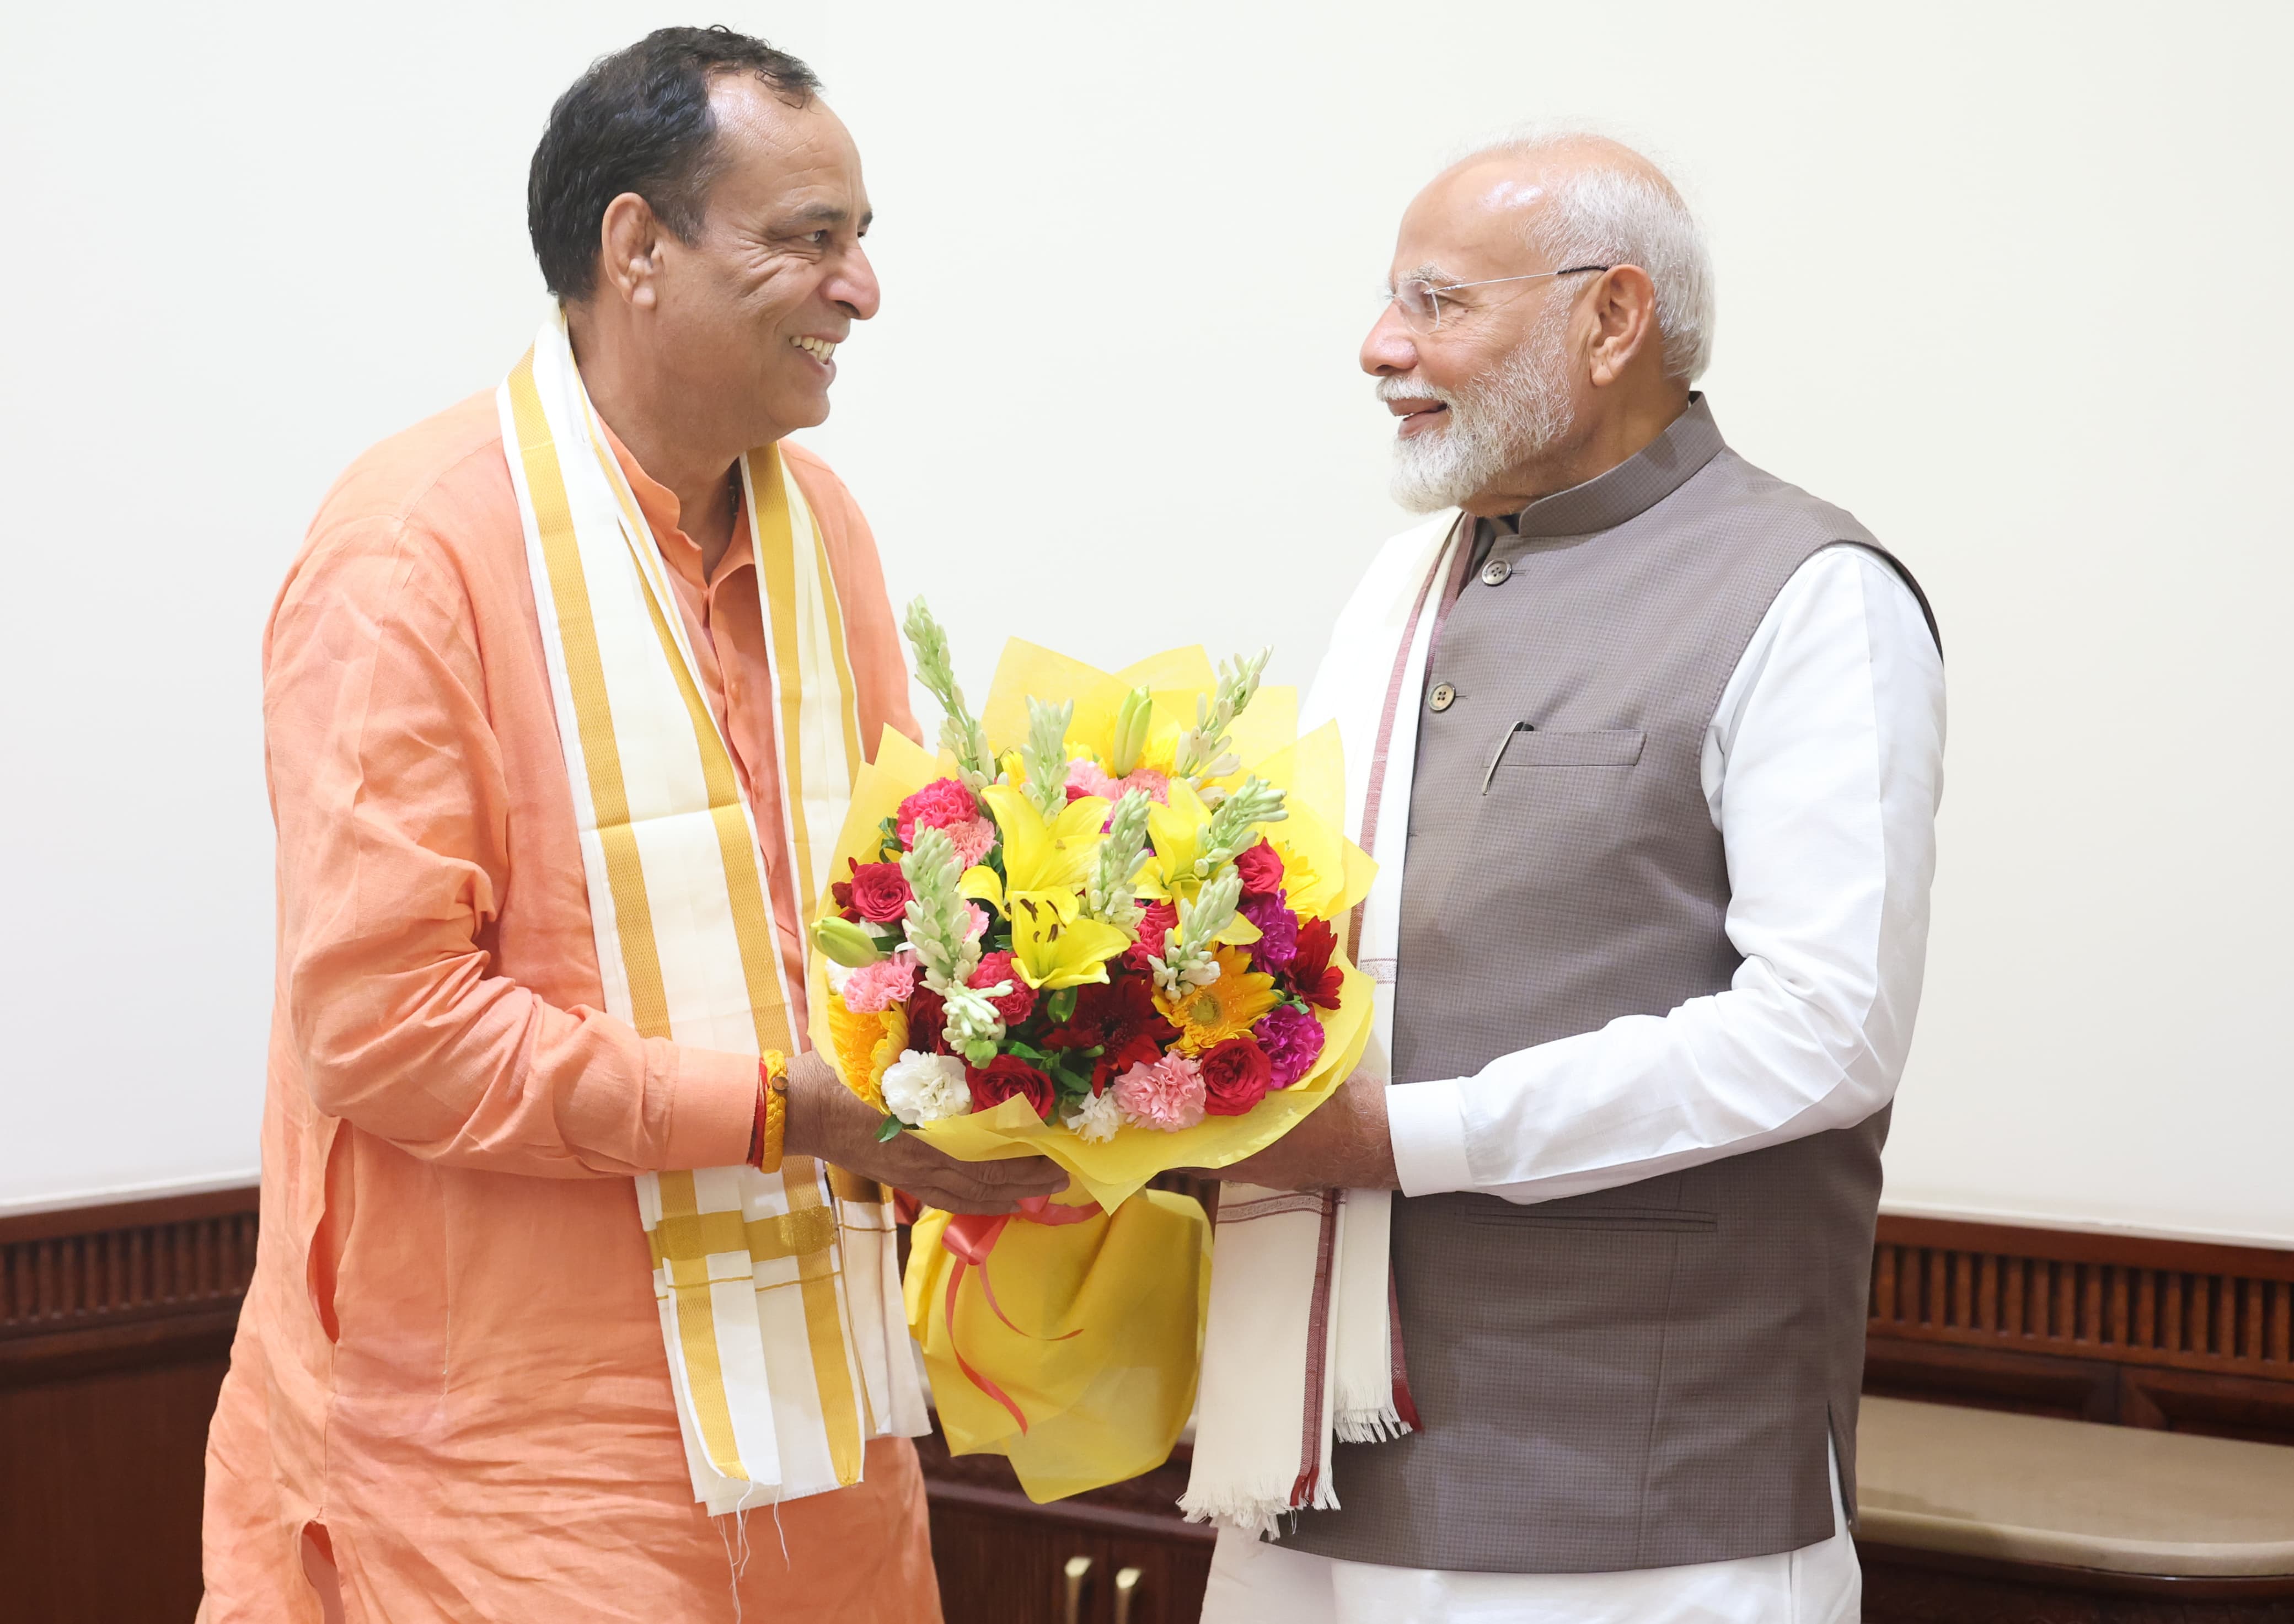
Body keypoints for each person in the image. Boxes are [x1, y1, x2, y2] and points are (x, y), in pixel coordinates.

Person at [199, 28, 1064, 1623]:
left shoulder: (824, 531)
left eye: (863, 238)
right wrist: (778, 1110)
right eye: (811, 239)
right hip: (510, 1467)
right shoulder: (418, 551)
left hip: (825, 1432)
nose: (861, 288)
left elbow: (908, 913)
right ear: (635, 247)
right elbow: (386, 1028)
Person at [1187, 132, 1946, 1622]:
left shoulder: (1814, 596)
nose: (1381, 345)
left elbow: (1824, 1032)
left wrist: (1405, 1138)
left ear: (1612, 321)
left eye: (1439, 301)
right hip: (1308, 1481)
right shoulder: (1402, 585)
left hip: (1642, 1516)